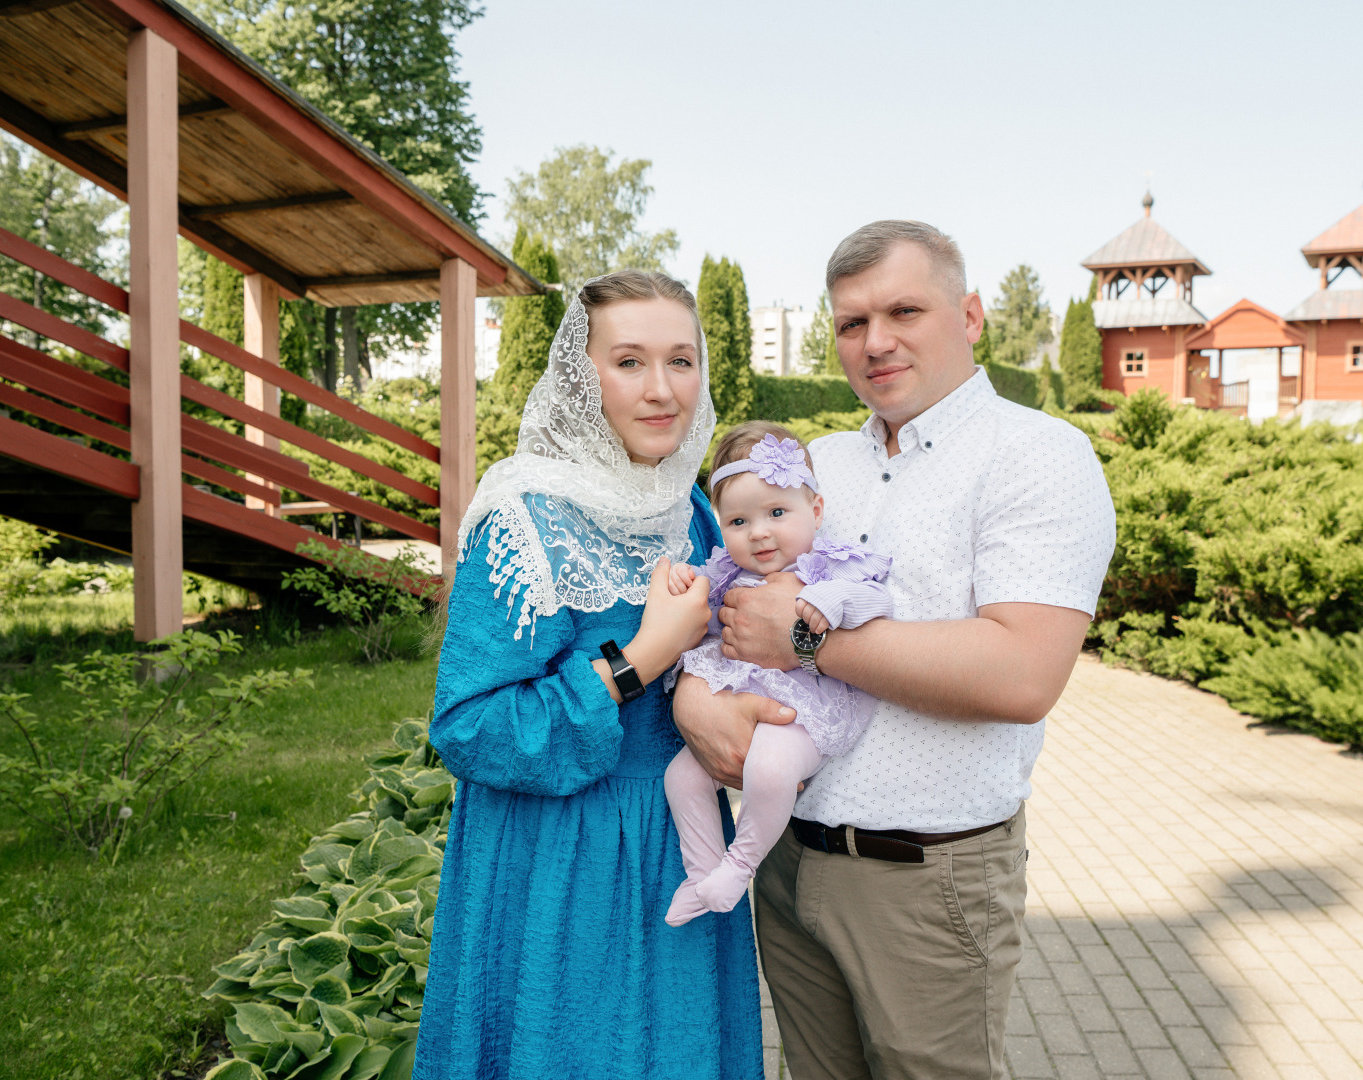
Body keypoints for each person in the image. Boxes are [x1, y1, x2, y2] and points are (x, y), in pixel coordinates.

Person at [672, 221, 1117, 1080]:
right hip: (787, 858)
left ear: (971, 315)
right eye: (850, 323)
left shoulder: (1039, 457)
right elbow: (723, 600)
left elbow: (1022, 674)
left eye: (904, 310)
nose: (875, 342)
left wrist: (804, 639)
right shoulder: (815, 467)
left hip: (926, 880)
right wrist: (693, 701)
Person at [414, 271, 762, 1080]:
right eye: (629, 362)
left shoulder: (697, 510)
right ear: (580, 376)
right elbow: (467, 727)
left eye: (681, 361)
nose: (661, 390)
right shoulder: (524, 515)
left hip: (676, 844)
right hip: (557, 863)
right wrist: (639, 659)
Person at [662, 422, 892, 926]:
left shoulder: (830, 565)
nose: (759, 531)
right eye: (739, 521)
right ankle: (702, 874)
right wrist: (686, 580)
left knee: (769, 769)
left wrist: (832, 600)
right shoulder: (728, 571)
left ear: (816, 511)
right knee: (680, 777)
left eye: (777, 513)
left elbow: (877, 600)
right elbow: (700, 599)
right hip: (745, 699)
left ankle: (739, 865)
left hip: (807, 710)